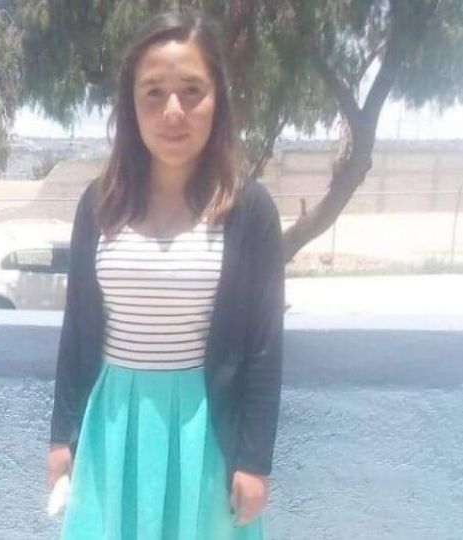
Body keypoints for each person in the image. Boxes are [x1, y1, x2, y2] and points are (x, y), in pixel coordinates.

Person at [46, 10, 284, 540]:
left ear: (218, 99)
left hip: (206, 430)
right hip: (113, 424)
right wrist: (62, 436)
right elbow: (77, 331)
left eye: (191, 91)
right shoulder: (99, 205)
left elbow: (264, 348)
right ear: (131, 106)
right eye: (154, 92)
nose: (173, 110)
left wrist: (254, 461)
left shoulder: (249, 210)